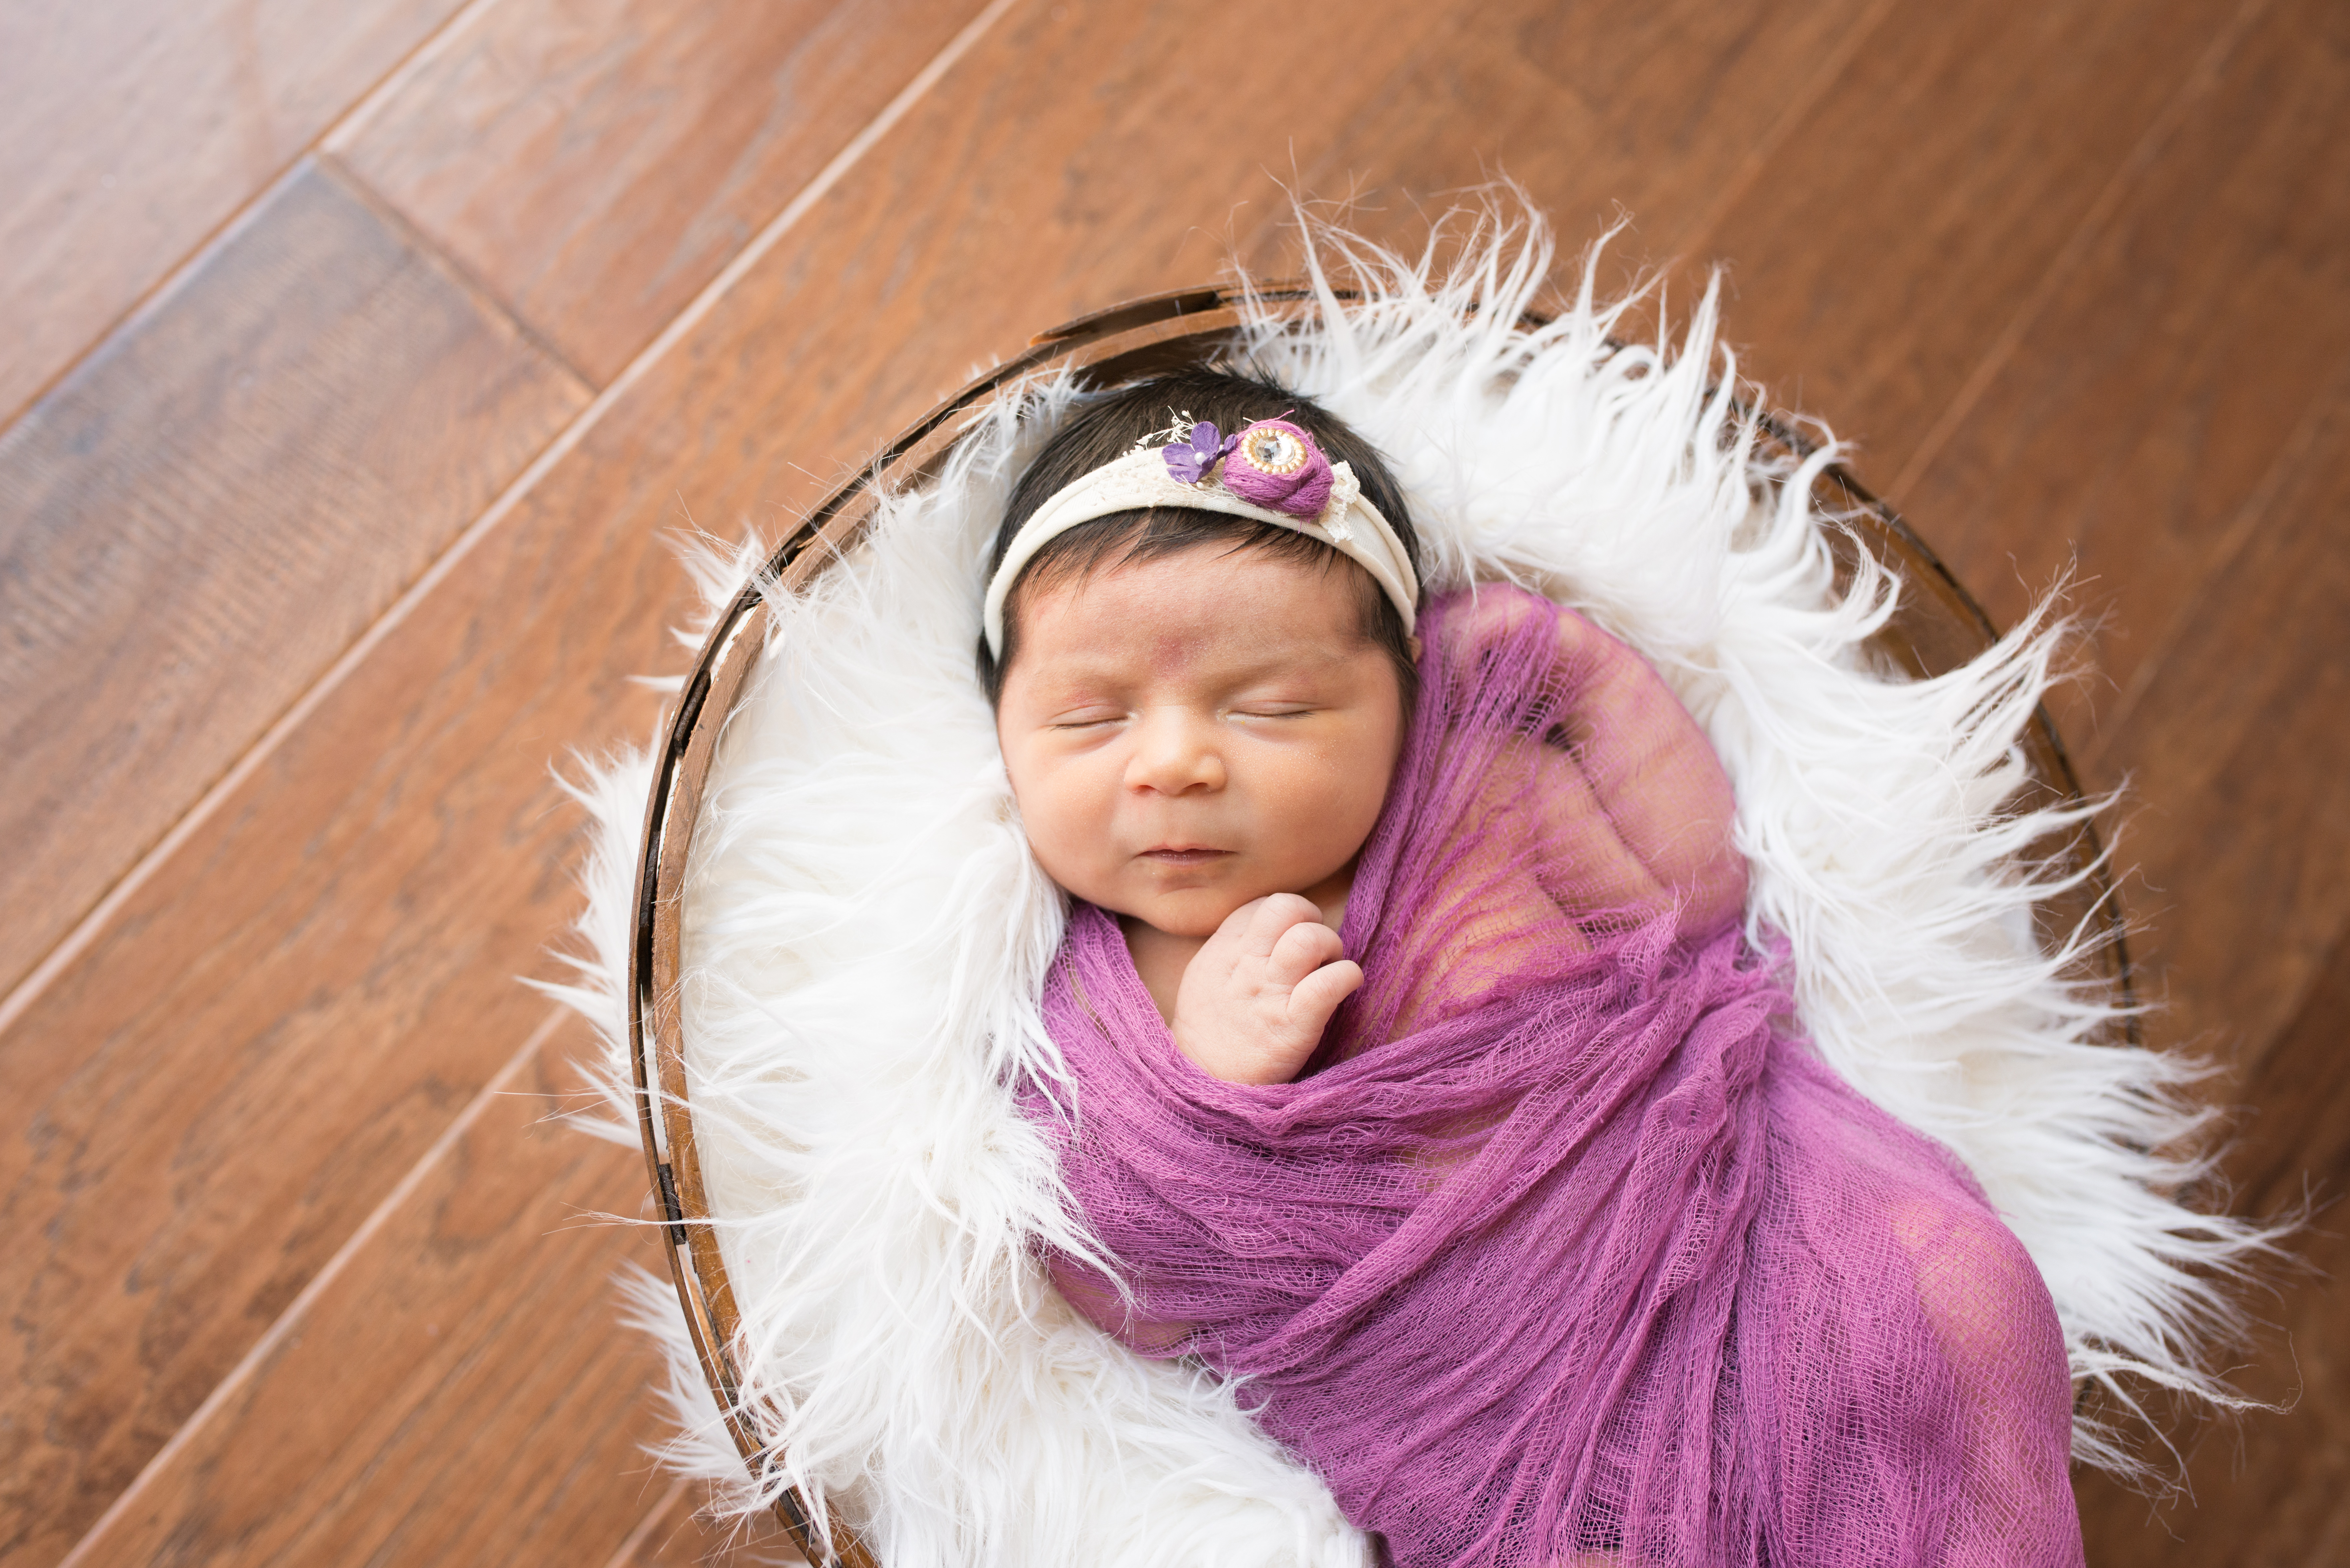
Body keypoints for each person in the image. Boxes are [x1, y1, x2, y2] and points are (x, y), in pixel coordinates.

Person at [980, 366, 2085, 1567]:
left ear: (1401, 698)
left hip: (1722, 1225)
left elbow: (1698, 898)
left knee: (1967, 1292)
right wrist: (1206, 1089)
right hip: (1490, 1413)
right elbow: (1115, 1289)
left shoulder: (1478, 789)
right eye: (1092, 719)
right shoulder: (1093, 1001)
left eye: (1274, 708)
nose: (1177, 763)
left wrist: (1573, 666)